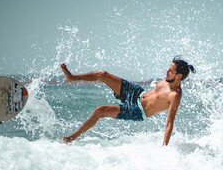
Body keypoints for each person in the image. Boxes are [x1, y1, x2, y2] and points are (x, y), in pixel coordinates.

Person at [60, 56, 195, 145]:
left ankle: (72, 137)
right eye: (168, 69)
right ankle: (72, 77)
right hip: (137, 93)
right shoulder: (167, 79)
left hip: (138, 111)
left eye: (170, 71)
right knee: (103, 75)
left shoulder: (175, 95)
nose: (167, 71)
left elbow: (170, 123)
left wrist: (164, 148)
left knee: (100, 110)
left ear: (179, 76)